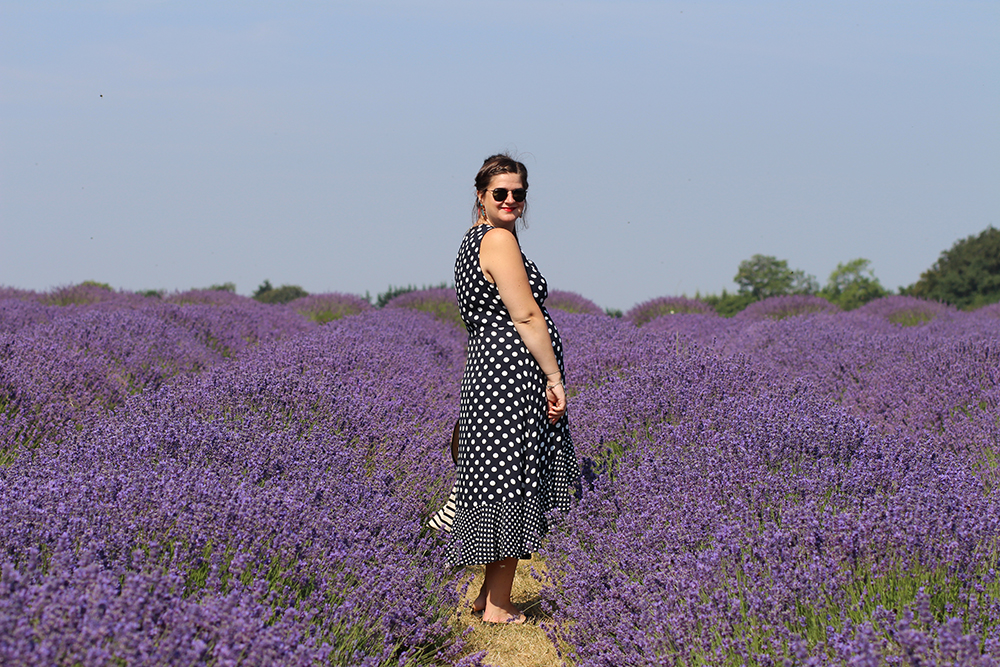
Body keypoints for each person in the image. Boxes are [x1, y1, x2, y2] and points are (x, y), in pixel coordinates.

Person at [429, 154, 579, 624]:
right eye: (501, 193)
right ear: (481, 196)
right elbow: (527, 315)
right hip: (510, 379)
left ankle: (485, 596)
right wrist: (554, 378)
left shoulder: (477, 239)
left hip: (489, 375)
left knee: (497, 480)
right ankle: (498, 607)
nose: (511, 200)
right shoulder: (497, 240)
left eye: (519, 193)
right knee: (511, 483)